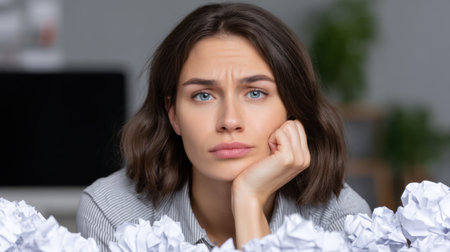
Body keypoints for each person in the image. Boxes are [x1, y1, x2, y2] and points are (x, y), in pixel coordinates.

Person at [77, 2, 371, 251]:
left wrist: (248, 201)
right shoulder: (113, 211)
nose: (229, 120)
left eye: (255, 93)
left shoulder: (339, 218)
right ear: (173, 114)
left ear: (292, 109)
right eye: (203, 95)